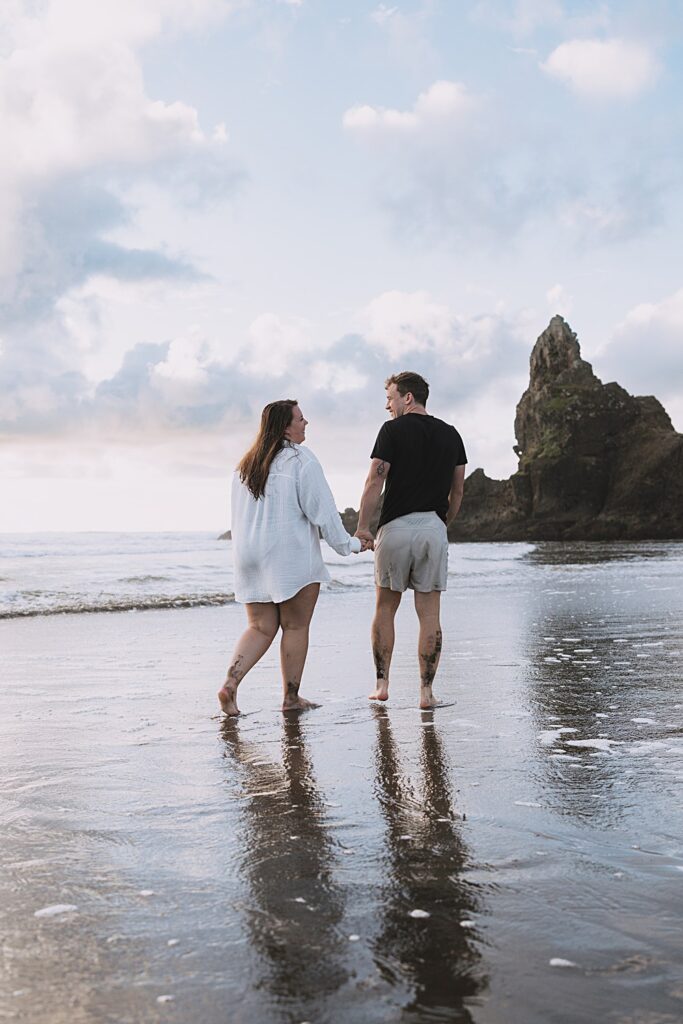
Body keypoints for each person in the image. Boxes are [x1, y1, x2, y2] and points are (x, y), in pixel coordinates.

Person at [219, 399, 364, 716]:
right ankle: (291, 698)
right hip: (289, 556)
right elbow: (323, 511)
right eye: (300, 419)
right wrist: (349, 545)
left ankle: (230, 684)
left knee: (259, 627)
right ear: (285, 427)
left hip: (249, 556)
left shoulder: (245, 466)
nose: (306, 423)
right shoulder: (300, 460)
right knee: (295, 627)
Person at [355, 372, 467, 709]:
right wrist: (441, 524)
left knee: (385, 608)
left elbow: (374, 482)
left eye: (390, 398)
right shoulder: (451, 434)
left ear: (407, 398)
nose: (387, 405)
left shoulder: (391, 430)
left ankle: (381, 685)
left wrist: (363, 527)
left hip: (395, 529)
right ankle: (426, 693)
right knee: (429, 614)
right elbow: (458, 490)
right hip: (433, 528)